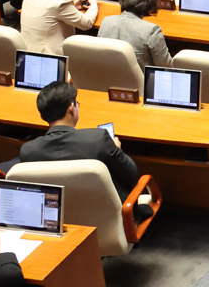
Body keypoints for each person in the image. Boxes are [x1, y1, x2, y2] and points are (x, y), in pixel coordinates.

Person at [18, 81, 151, 220]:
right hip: (107, 219)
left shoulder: (28, 151)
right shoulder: (98, 139)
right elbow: (131, 175)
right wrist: (117, 150)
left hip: (56, 219)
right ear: (71, 107)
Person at [98, 0, 172, 70]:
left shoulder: (106, 21)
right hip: (140, 82)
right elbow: (166, 67)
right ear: (151, 5)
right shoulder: (151, 30)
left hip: (107, 79)